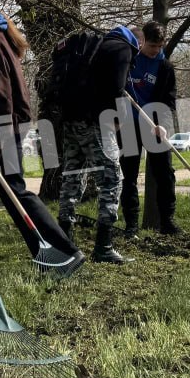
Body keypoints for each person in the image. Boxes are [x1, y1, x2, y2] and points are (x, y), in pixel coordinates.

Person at [0, 0, 85, 274]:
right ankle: (52, 252)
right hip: (10, 125)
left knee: (14, 190)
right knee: (9, 190)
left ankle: (63, 252)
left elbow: (1, 92)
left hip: (3, 127)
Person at [57, 24, 139, 264]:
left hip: (70, 121)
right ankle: (103, 246)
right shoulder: (122, 49)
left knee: (72, 178)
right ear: (138, 42)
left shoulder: (93, 47)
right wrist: (118, 120)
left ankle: (65, 243)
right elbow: (117, 88)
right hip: (96, 123)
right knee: (112, 179)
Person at [118, 21, 181, 239]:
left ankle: (167, 222)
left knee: (165, 174)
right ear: (143, 40)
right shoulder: (130, 60)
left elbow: (169, 100)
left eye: (159, 47)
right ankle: (131, 225)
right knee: (129, 175)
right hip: (129, 125)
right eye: (152, 46)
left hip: (154, 126)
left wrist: (163, 124)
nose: (155, 51)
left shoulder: (165, 68)